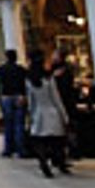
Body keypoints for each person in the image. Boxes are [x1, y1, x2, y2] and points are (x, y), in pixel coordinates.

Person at [27, 49, 71, 178]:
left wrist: (31, 115)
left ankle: (43, 161)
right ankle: (59, 162)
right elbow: (56, 98)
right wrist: (64, 115)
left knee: (40, 140)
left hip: (39, 113)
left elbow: (31, 100)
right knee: (56, 141)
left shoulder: (29, 80)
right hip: (52, 112)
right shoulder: (48, 78)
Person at [0, 49, 28, 158]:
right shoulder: (21, 70)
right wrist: (24, 95)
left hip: (6, 97)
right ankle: (20, 149)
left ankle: (8, 149)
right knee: (19, 124)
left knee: (8, 124)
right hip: (19, 96)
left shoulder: (1, 70)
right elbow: (25, 84)